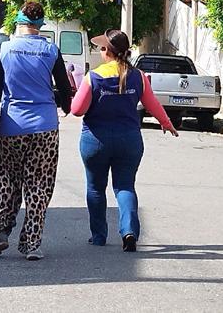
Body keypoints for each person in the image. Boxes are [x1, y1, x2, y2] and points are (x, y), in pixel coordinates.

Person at [70, 29, 178, 252]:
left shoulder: (94, 76)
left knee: (95, 188)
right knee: (125, 186)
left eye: (102, 48)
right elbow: (152, 103)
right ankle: (129, 232)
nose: (100, 51)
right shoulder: (138, 76)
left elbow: (77, 110)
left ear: (107, 52)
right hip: (129, 140)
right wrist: (166, 122)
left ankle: (99, 236)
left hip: (95, 140)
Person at [0, 0, 74, 261]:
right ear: (40, 24)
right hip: (45, 128)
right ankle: (32, 243)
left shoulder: (5, 49)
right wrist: (65, 107)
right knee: (38, 184)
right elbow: (65, 88)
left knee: (5, 180)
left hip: (12, 126)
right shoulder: (51, 50)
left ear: (19, 21)